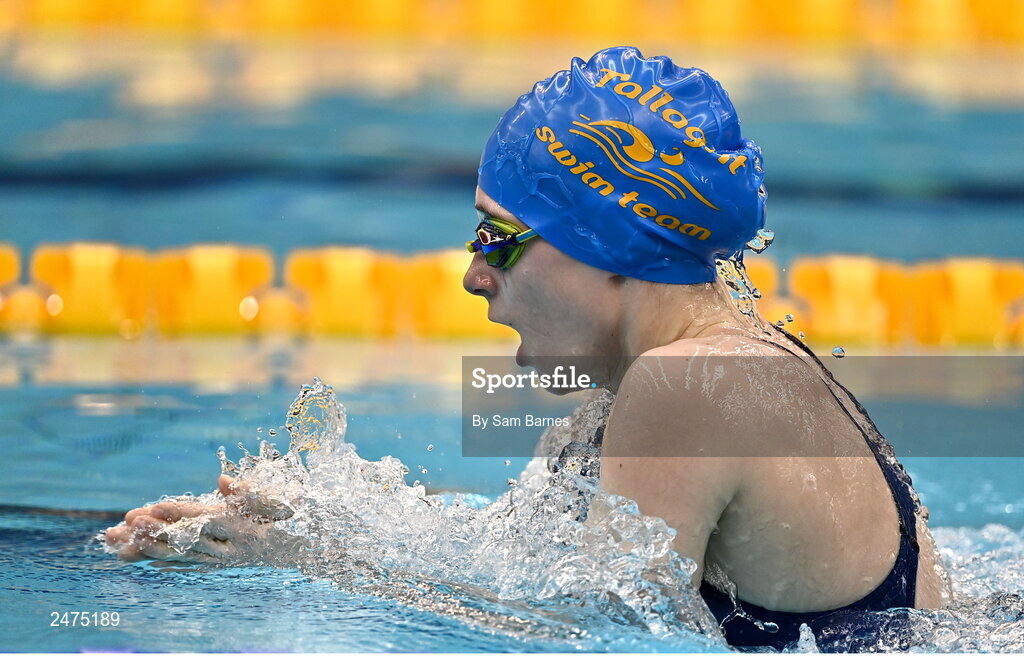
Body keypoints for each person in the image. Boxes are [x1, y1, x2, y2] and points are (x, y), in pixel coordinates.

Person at [106, 47, 950, 651]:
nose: (474, 275)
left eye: (498, 237)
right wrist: (304, 522)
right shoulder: (684, 375)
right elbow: (536, 574)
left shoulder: (686, 385)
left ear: (608, 244)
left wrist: (305, 566)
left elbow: (592, 636)